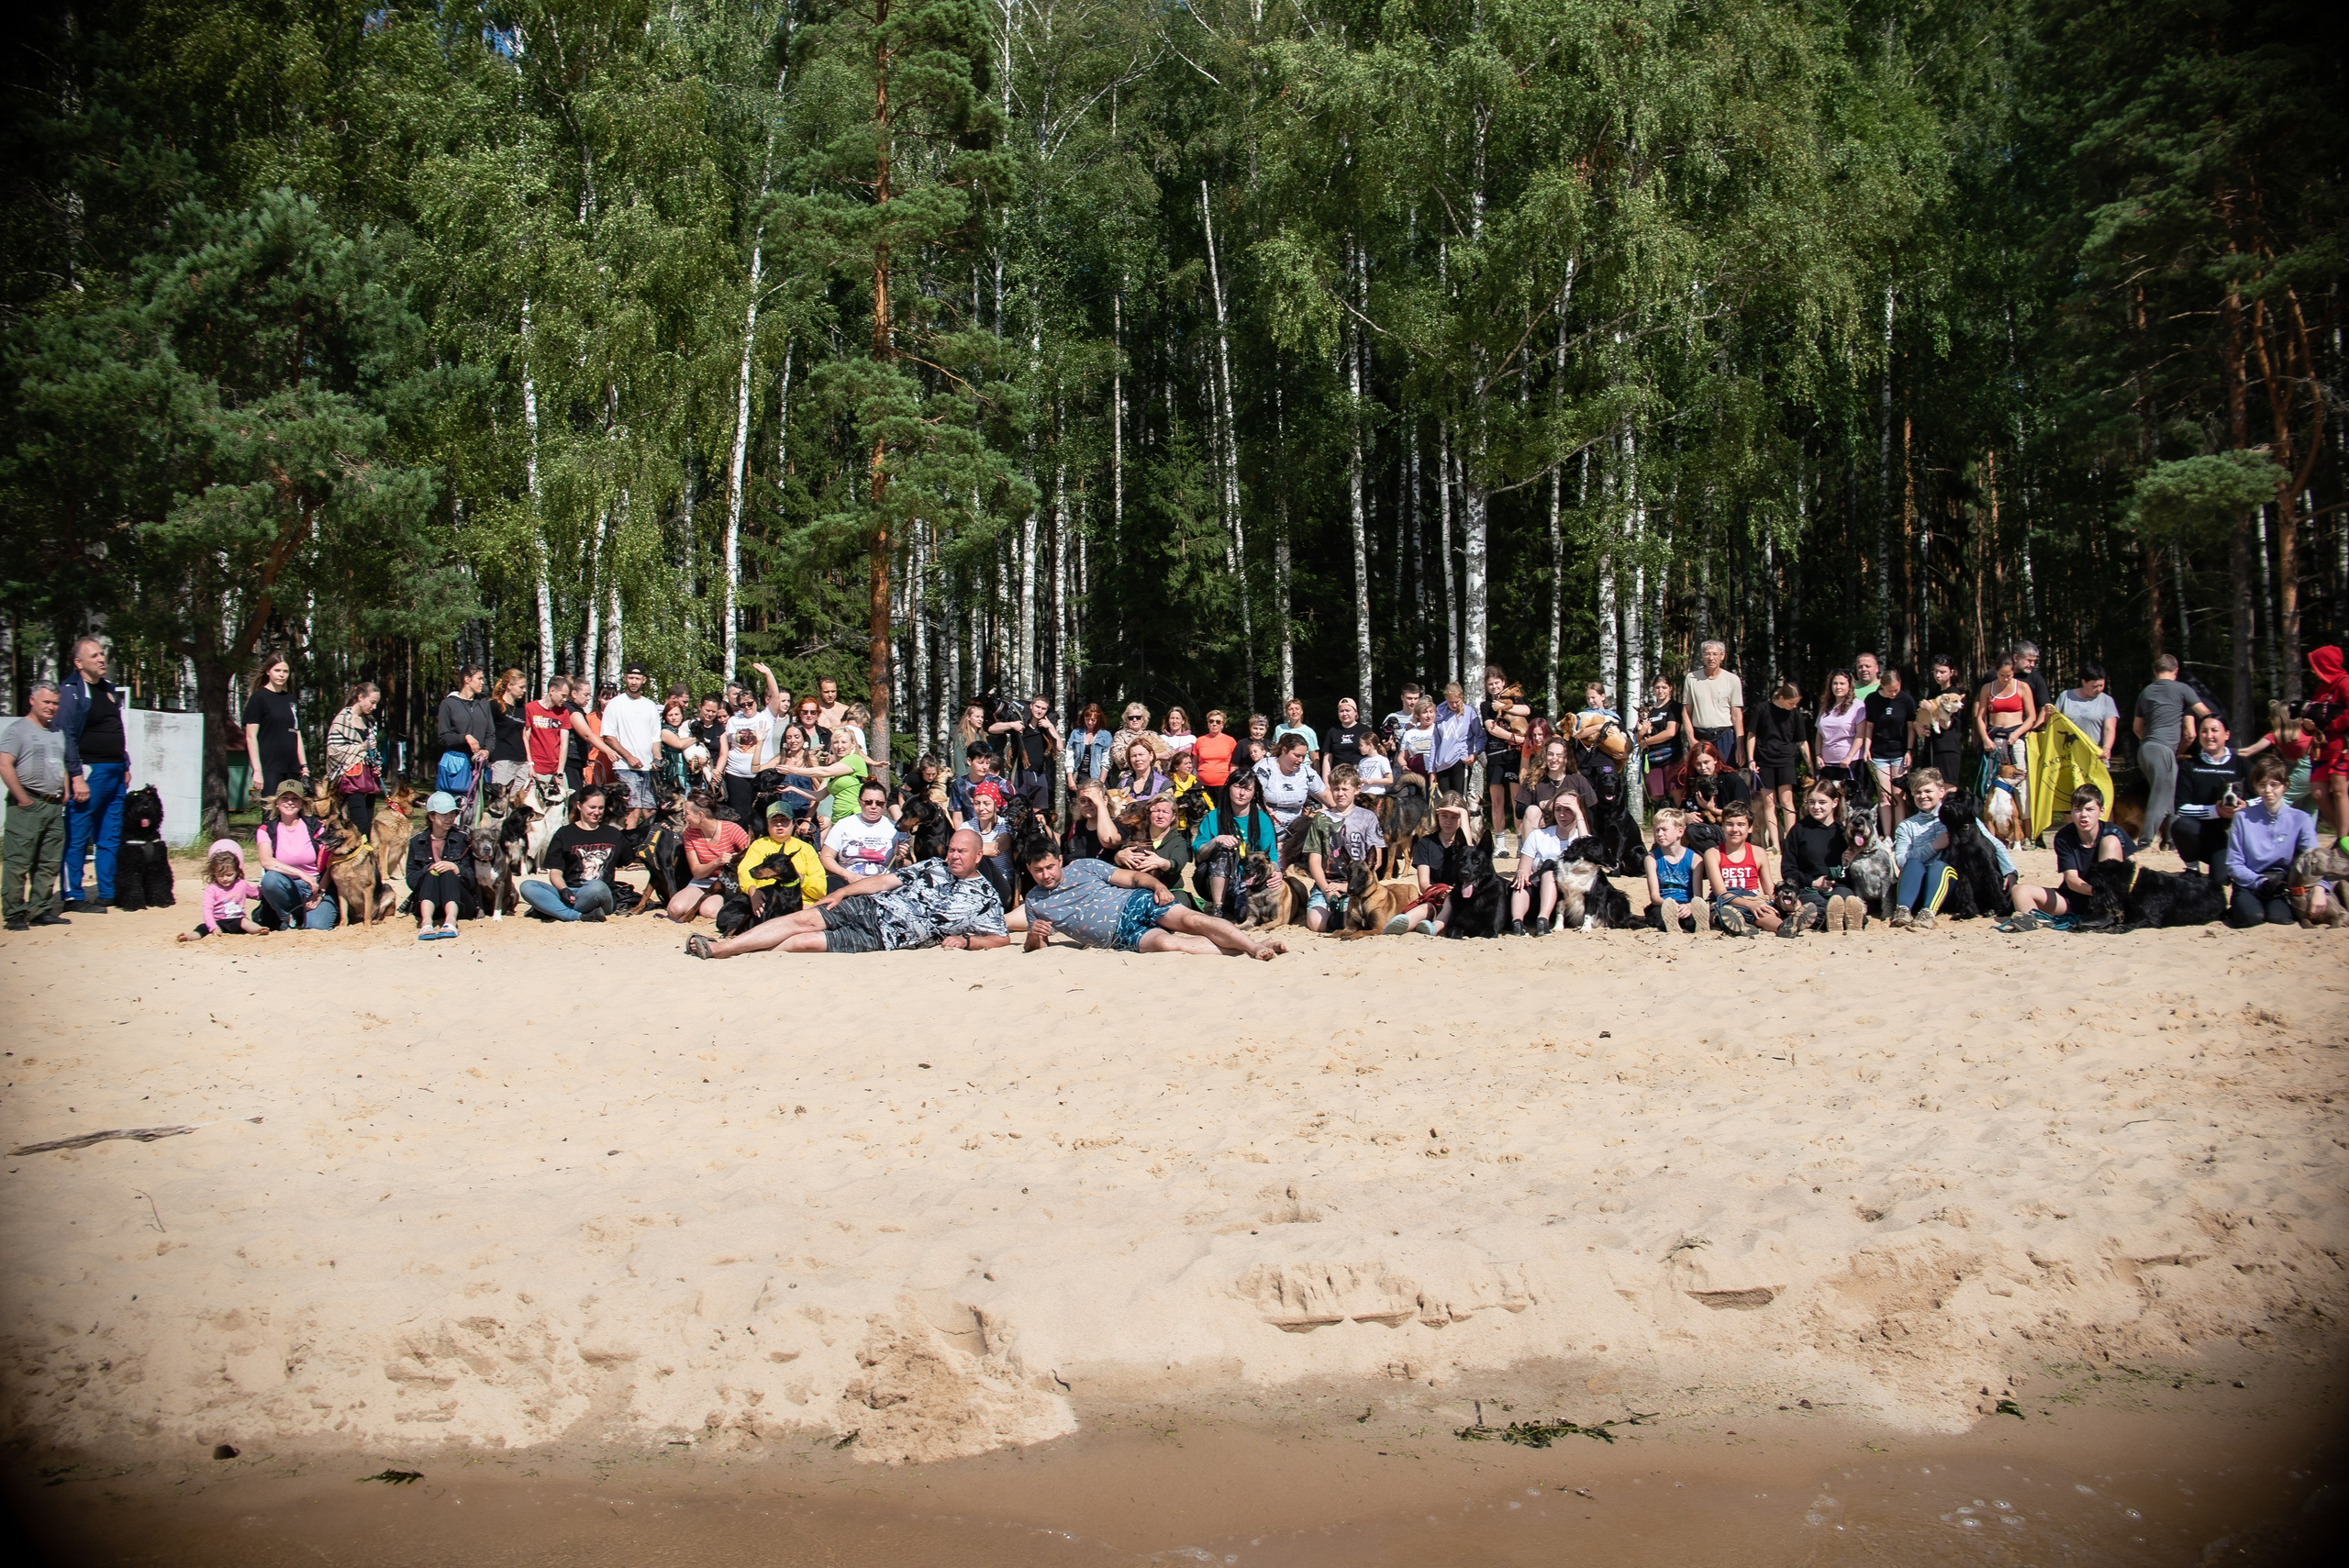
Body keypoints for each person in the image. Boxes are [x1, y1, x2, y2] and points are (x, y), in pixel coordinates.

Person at [685, 828, 1008, 958]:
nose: (953, 856)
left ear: (978, 855)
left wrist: (967, 941)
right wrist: (844, 893)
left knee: (804, 941)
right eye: (951, 849)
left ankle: (752, 955)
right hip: (869, 907)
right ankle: (722, 950)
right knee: (805, 919)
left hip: (886, 939)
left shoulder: (985, 895)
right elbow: (884, 882)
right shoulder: (932, 865)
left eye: (961, 852)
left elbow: (1001, 937)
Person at [1015, 843, 1285, 958]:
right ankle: (1252, 946)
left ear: (1059, 860)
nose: (1046, 875)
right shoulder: (1035, 901)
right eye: (1038, 871)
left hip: (1134, 902)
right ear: (1029, 870)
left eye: (1050, 867)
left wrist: (1157, 886)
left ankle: (1251, 947)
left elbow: (1131, 879)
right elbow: (1038, 948)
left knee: (1192, 920)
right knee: (1171, 944)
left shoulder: (1083, 866)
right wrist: (1033, 938)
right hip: (1118, 937)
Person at [1887, 767, 2015, 930]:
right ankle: (1903, 911)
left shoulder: (1959, 815)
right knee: (1912, 863)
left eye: (1928, 791)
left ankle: (1928, 913)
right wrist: (1935, 846)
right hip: (1916, 887)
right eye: (1917, 792)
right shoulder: (1906, 826)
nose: (1922, 796)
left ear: (1942, 792)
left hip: (1948, 887)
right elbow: (1900, 861)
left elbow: (1995, 844)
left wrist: (2010, 872)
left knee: (1940, 866)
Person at [61, 635, 133, 911]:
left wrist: (125, 764)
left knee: (110, 836)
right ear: (79, 662)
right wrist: (76, 775)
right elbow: (66, 734)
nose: (102, 659)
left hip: (115, 772)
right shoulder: (71, 691)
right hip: (90, 773)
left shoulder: (108, 689)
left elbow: (117, 729)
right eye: (94, 656)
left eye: (103, 654)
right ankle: (73, 896)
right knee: (78, 834)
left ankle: (107, 891)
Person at [2002, 785, 2133, 931]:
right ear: (2071, 812)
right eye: (2078, 810)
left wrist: (2108, 894)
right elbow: (2072, 881)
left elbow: (2134, 867)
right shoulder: (2064, 836)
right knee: (2019, 890)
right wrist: (2096, 891)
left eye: (2090, 809)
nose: (2083, 815)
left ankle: (2107, 913)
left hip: (2107, 900)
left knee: (2110, 841)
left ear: (2101, 811)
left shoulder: (2114, 831)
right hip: (2075, 897)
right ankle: (2035, 923)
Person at [2224, 755, 2323, 927]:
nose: (2268, 790)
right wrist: (2260, 882)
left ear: (2285, 786)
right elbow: (2234, 863)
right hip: (2249, 882)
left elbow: (2317, 860)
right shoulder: (2242, 818)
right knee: (2251, 917)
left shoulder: (2301, 819)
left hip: (2281, 885)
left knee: (2281, 918)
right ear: (2255, 787)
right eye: (2262, 785)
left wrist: (2321, 888)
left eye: (2274, 785)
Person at [2, 681, 70, 931]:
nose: (51, 707)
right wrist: (23, 799)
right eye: (46, 702)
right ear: (32, 700)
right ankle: (14, 913)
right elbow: (4, 764)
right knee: (18, 862)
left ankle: (40, 909)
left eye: (55, 703)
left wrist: (65, 790)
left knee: (49, 862)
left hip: (53, 806)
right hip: (28, 805)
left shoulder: (56, 731)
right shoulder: (18, 730)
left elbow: (58, 763)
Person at [1297, 767, 1386, 932]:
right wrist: (1326, 889)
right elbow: (1314, 860)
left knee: (1350, 923)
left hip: (1358, 886)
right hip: (1327, 884)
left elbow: (1377, 860)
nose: (1340, 793)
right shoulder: (1320, 819)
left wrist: (1348, 887)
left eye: (1345, 789)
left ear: (1357, 789)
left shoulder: (1368, 817)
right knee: (1317, 924)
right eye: (1336, 789)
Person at [520, 784, 625, 922]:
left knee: (596, 886)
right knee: (527, 886)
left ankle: (553, 909)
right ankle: (577, 915)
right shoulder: (564, 833)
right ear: (579, 806)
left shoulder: (613, 834)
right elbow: (555, 872)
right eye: (592, 807)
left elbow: (633, 857)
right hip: (570, 892)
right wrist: (564, 890)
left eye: (601, 808)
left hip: (598, 893)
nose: (597, 812)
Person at [1192, 769, 1281, 920]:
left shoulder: (1262, 820)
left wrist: (1278, 873)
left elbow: (1270, 855)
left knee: (1242, 915)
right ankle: (1217, 908)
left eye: (1247, 789)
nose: (1242, 793)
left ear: (1254, 794)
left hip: (1249, 880)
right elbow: (1199, 856)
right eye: (1238, 787)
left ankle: (1231, 904)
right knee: (1222, 852)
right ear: (1228, 788)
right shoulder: (1214, 817)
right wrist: (1216, 840)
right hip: (1215, 881)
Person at [253, 778, 339, 931]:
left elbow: (331, 862)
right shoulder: (266, 830)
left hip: (316, 887)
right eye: (284, 798)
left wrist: (320, 893)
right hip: (286, 888)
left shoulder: (317, 827)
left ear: (301, 803)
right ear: (277, 802)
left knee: (316, 927)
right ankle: (286, 916)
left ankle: (310, 913)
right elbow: (266, 861)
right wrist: (301, 874)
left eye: (295, 799)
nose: (290, 802)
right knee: (270, 879)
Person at [1781, 784, 1865, 933]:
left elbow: (1855, 872)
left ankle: (1845, 922)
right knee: (1817, 908)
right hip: (1807, 888)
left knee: (1847, 903)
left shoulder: (1844, 833)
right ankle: (1832, 921)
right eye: (1811, 802)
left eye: (1822, 802)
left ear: (1835, 802)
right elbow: (1788, 870)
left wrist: (1851, 860)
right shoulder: (1798, 830)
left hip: (1839, 887)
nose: (1816, 807)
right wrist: (1812, 882)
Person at [1398, 792, 1482, 937]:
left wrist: (1463, 813)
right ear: (1437, 816)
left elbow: (1469, 854)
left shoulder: (1467, 845)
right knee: (1426, 908)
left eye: (1454, 817)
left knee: (1451, 899)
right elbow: (1423, 883)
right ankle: (1398, 926)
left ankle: (1435, 927)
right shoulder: (1426, 842)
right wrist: (1438, 892)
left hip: (1461, 898)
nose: (1448, 821)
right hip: (1434, 895)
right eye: (1444, 816)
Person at [2169, 713, 2244, 873]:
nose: (2209, 736)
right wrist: (2216, 811)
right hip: (2201, 834)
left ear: (2227, 734)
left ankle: (2227, 865)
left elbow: (2262, 797)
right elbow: (2181, 808)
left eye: (2214, 730)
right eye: (2204, 731)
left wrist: (2245, 806)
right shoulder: (2189, 765)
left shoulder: (2241, 764)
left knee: (2220, 879)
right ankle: (2192, 868)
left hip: (2232, 837)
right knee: (2181, 826)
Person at [662, 791, 753, 922]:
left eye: (686, 814)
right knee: (675, 909)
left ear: (700, 815)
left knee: (709, 910)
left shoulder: (731, 829)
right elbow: (697, 872)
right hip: (703, 881)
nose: (684, 818)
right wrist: (717, 862)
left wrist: (736, 859)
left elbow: (752, 854)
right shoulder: (690, 833)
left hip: (727, 884)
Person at [1749, 680, 1814, 852]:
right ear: (1782, 697)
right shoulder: (1763, 709)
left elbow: (1802, 742)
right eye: (1791, 703)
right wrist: (1750, 759)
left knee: (1787, 802)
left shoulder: (1795, 715)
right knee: (1769, 803)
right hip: (1765, 760)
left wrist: (1810, 766)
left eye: (1796, 703)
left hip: (1786, 760)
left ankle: (1791, 842)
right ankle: (1775, 844)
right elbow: (1752, 734)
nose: (1794, 706)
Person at [404, 791, 474, 939]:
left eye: (453, 814)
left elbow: (472, 879)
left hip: (460, 902)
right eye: (444, 814)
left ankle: (450, 921)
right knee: (431, 872)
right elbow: (411, 880)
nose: (449, 819)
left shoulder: (463, 839)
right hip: (428, 900)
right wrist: (427, 870)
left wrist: (456, 868)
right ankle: (426, 923)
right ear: (431, 816)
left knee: (448, 871)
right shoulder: (416, 842)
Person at [601, 663, 665, 825]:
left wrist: (657, 758)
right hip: (625, 767)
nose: (634, 682)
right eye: (631, 678)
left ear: (644, 680)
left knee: (650, 810)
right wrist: (628, 757)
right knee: (632, 810)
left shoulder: (650, 705)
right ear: (625, 679)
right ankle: (628, 848)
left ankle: (646, 847)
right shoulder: (616, 704)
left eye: (637, 678)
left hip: (647, 768)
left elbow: (655, 737)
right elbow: (608, 736)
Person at [239, 647, 305, 802]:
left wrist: (304, 766)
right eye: (277, 670)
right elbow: (250, 737)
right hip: (270, 767)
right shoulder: (259, 698)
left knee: (291, 813)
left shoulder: (291, 700)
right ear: (268, 671)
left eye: (285, 671)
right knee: (271, 816)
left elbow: (297, 735)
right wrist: (257, 770)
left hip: (292, 767)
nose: (282, 675)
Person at [1703, 802, 1779, 935]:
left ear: (1750, 828)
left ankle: (1786, 926)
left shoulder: (1759, 853)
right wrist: (1749, 905)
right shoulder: (1713, 853)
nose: (1734, 829)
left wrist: (1782, 902)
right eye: (1729, 824)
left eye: (1741, 825)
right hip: (1727, 900)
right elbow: (1720, 892)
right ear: (1722, 826)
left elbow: (1769, 890)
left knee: (1768, 915)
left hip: (1753, 899)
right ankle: (1740, 924)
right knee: (1720, 914)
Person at [324, 682, 386, 840]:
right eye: (372, 702)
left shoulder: (371, 722)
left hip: (369, 779)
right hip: (351, 779)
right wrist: (360, 748)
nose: (374, 707)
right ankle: (356, 856)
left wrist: (376, 763)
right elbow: (333, 750)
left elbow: (373, 750)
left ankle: (365, 858)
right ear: (360, 697)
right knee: (358, 822)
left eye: (376, 704)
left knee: (367, 823)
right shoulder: (341, 720)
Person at [1862, 665, 1917, 833]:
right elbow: (1869, 726)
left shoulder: (1906, 700)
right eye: (1890, 691)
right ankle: (1887, 835)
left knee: (1899, 795)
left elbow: (1911, 728)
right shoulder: (1871, 700)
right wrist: (1866, 748)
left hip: (1899, 752)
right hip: (1879, 753)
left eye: (1896, 690)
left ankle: (1900, 832)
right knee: (1884, 795)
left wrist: (1909, 750)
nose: (1893, 694)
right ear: (1882, 686)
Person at [2304, 645, 2349, 848]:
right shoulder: (2321, 688)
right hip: (2322, 747)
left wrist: (2332, 724)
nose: (2313, 670)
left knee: (2339, 791)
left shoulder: (2344, 683)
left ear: (2326, 664)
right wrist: (2309, 724)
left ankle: (2342, 839)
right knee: (2318, 793)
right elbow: (2313, 714)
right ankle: (2345, 831)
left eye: (2316, 664)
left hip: (2341, 745)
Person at [822, 780, 907, 884]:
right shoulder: (843, 824)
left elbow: (909, 864)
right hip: (848, 880)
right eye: (868, 802)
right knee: (831, 883)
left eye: (879, 803)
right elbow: (826, 856)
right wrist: (847, 875)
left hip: (884, 884)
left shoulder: (896, 829)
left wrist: (900, 860)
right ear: (859, 802)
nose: (873, 806)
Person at [1479, 668, 1529, 841]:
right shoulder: (1485, 705)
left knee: (1517, 800)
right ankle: (1500, 843)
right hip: (1495, 754)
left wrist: (1504, 706)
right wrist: (1515, 737)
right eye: (1490, 684)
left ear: (1503, 682)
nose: (1494, 686)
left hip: (1515, 755)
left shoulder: (1515, 699)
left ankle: (1521, 840)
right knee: (1497, 801)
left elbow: (1527, 711)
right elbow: (1491, 728)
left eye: (1497, 683)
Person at [1115, 792, 1195, 900]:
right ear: (1149, 814)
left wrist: (1162, 863)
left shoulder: (1177, 841)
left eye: (1165, 812)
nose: (1160, 816)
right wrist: (1118, 856)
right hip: (1132, 890)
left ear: (1173, 817)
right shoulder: (1134, 838)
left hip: (1170, 890)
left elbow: (1178, 863)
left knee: (1179, 901)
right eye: (1157, 811)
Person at [1514, 740, 1595, 845]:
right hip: (1542, 830)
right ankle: (1531, 855)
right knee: (1532, 810)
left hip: (1571, 833)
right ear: (1545, 756)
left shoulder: (1578, 780)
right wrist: (1542, 805)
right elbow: (1519, 811)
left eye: (1559, 755)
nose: (1554, 759)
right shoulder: (1533, 779)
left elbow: (1593, 812)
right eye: (1550, 754)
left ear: (1566, 758)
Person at [1683, 639, 1745, 770]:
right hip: (1700, 736)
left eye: (1715, 654)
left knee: (1726, 774)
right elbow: (1686, 711)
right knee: (1700, 776)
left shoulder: (1732, 680)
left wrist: (1740, 746)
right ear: (1702, 656)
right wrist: (1691, 739)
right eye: (1707, 654)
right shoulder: (1691, 678)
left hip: (1724, 736)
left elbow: (1737, 715)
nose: (1711, 658)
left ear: (1722, 656)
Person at [992, 695, 1061, 813]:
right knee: (1018, 810)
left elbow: (1059, 747)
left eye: (1043, 709)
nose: (1039, 711)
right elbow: (992, 728)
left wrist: (1050, 727)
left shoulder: (1044, 728)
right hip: (1020, 774)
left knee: (1040, 813)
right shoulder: (1021, 724)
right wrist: (1012, 725)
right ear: (1031, 706)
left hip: (1039, 775)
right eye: (1037, 707)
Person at [1252, 733, 1328, 840]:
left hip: (1297, 831)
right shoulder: (1264, 768)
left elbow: (1326, 796)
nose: (1301, 760)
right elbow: (1251, 797)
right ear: (1284, 750)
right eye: (1297, 755)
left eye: (1303, 756)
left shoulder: (1306, 772)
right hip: (1267, 828)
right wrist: (1264, 808)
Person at [178, 847, 262, 942]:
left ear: (237, 872)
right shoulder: (212, 889)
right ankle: (188, 937)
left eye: (229, 875)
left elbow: (257, 894)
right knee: (202, 928)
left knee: (246, 922)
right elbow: (207, 910)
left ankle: (259, 930)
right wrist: (213, 927)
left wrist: (266, 887)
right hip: (217, 922)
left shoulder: (241, 884)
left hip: (237, 920)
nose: (225, 879)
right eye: (220, 876)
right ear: (214, 874)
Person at [1642, 806, 1705, 934]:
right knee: (1659, 916)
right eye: (1657, 830)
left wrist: (1689, 907)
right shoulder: (1651, 859)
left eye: (1664, 830)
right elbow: (1655, 897)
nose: (1660, 834)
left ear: (1680, 832)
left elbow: (1698, 896)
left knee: (1692, 917)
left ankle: (1698, 927)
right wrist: (1670, 906)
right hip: (1663, 903)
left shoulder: (1695, 859)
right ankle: (1673, 927)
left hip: (1686, 903)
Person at [434, 663, 493, 798]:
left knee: (474, 813)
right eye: (479, 678)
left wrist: (487, 750)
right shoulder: (448, 704)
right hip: (456, 768)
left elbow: (490, 734)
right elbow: (443, 737)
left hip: (478, 765)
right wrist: (465, 737)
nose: (482, 682)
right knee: (453, 811)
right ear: (467, 679)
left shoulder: (483, 704)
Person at [1508, 808, 1568, 936]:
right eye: (1558, 810)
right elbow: (1523, 867)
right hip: (1535, 892)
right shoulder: (1538, 835)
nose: (1562, 814)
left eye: (1569, 810)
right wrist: (1522, 872)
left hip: (1564, 897)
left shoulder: (1580, 837)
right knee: (1522, 880)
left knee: (1549, 870)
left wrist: (1579, 814)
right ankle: (1517, 922)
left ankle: (1543, 919)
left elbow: (1587, 844)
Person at [1915, 654, 1969, 785]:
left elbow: (1946, 725)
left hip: (1948, 748)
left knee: (1947, 787)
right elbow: (1926, 718)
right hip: (1932, 747)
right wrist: (1921, 727)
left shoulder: (1955, 695)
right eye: (1935, 671)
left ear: (1952, 673)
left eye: (1942, 672)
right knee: (1929, 787)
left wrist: (1931, 709)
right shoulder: (1933, 693)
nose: (1938, 675)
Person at [718, 686, 770, 823]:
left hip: (760, 774)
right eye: (742, 705)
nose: (746, 707)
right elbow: (727, 747)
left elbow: (775, 695)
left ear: (756, 702)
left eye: (749, 703)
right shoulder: (733, 721)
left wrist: (767, 674)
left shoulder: (765, 716)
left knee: (760, 816)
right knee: (740, 815)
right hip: (736, 773)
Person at [2051, 662, 2120, 762]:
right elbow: (2054, 723)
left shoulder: (2107, 701)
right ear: (2083, 682)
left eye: (2102, 685)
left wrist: (2107, 748)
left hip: (2095, 756)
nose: (2099, 689)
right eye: (2094, 686)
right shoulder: (2065, 696)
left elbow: (2109, 729)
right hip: (2068, 756)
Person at [1813, 670, 1866, 798]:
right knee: (1826, 799)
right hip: (1827, 763)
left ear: (1849, 686)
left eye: (1842, 683)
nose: (1838, 687)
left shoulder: (1858, 706)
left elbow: (1860, 735)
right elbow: (1819, 734)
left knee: (1849, 801)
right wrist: (1818, 755)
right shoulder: (1826, 706)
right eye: (1835, 683)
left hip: (1849, 762)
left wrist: (1849, 756)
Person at [1676, 740, 1749, 828]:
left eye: (1706, 762)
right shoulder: (1696, 780)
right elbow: (1682, 807)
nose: (1703, 768)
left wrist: (1713, 810)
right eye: (1698, 764)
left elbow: (1743, 814)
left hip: (1730, 829)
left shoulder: (1733, 780)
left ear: (1715, 760)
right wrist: (1685, 816)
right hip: (1702, 828)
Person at [1635, 675, 1683, 805]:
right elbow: (1637, 737)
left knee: (1676, 792)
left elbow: (1670, 732)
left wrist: (1646, 742)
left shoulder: (1674, 707)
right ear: (1653, 689)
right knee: (1656, 796)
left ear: (1670, 689)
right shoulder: (1648, 710)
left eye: (1664, 687)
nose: (1660, 690)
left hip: (1671, 756)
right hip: (1651, 758)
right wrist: (1641, 734)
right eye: (1657, 687)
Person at [1430, 684, 1478, 799]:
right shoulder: (1439, 713)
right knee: (1445, 801)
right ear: (1446, 697)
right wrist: (1432, 770)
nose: (1454, 705)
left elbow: (1480, 736)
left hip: (1461, 760)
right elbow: (1435, 742)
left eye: (1457, 701)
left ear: (1461, 698)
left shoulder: (1469, 712)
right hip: (1442, 763)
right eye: (1451, 702)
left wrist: (1475, 754)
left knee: (1459, 799)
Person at [1066, 703, 1117, 793]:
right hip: (1079, 777)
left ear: (1099, 719)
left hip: (1097, 778)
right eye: (1087, 719)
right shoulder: (1076, 733)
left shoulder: (1106, 735)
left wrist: (1100, 784)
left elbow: (1106, 762)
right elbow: (1069, 757)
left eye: (1093, 720)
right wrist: (1070, 778)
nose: (1090, 723)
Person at [1193, 710, 1239, 806]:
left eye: (1218, 722)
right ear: (1208, 724)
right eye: (1211, 721)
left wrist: (1230, 782)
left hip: (1223, 785)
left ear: (1222, 725)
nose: (1214, 724)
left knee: (1222, 813)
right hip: (1202, 785)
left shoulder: (1230, 741)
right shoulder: (1200, 740)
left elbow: (1234, 764)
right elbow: (1195, 762)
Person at [1114, 738, 1170, 811]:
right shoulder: (1122, 785)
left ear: (1151, 756)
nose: (1137, 759)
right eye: (1133, 756)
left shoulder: (1164, 785)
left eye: (1141, 754)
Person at [1322, 697, 1372, 773]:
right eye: (1341, 711)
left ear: (1355, 712)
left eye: (1348, 710)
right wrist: (1326, 781)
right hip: (1338, 775)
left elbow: (1372, 753)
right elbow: (1327, 759)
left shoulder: (1365, 730)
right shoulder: (1333, 732)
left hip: (1360, 773)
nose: (1344, 714)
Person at [952, 700, 988, 780]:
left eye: (982, 717)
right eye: (977, 717)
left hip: (982, 778)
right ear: (968, 717)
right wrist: (963, 781)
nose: (980, 719)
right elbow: (959, 761)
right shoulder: (961, 737)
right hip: (967, 778)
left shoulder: (983, 736)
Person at [1272, 697, 1317, 762]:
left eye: (1297, 709)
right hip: (1282, 767)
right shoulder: (1279, 728)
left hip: (1301, 766)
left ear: (1301, 712)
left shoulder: (1309, 732)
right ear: (1286, 713)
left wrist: (1316, 772)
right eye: (1290, 709)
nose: (1294, 712)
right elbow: (1275, 750)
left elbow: (1315, 757)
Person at [1353, 729, 1395, 799]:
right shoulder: (1362, 761)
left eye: (1361, 745)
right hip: (1363, 795)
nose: (1359, 747)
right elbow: (1361, 776)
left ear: (1370, 745)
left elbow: (1390, 780)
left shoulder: (1382, 759)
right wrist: (1359, 780)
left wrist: (1373, 781)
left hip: (1377, 795)